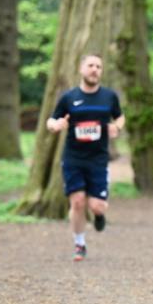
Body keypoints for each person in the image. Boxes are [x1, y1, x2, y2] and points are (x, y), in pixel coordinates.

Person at [47, 54, 125, 262]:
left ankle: (99, 216)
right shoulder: (68, 97)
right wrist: (56, 125)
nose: (94, 69)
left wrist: (116, 127)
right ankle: (79, 243)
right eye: (90, 65)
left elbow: (120, 117)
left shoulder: (109, 97)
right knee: (78, 202)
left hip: (98, 159)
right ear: (81, 69)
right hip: (73, 158)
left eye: (99, 66)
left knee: (97, 205)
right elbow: (52, 119)